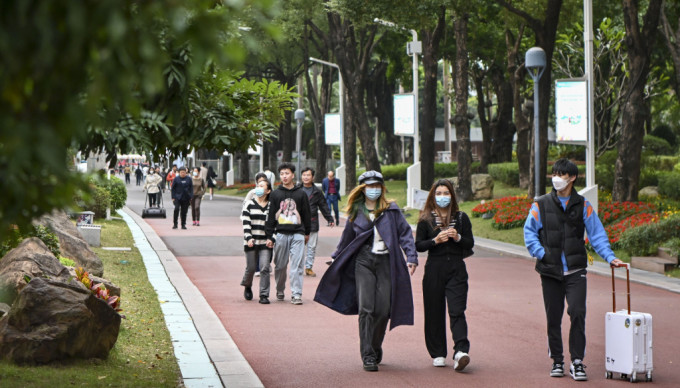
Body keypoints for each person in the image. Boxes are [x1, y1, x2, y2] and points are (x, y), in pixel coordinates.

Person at [523, 158, 623, 381]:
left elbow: (596, 234)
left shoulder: (583, 205)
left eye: (562, 174)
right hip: (550, 271)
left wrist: (610, 257)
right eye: (555, 173)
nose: (557, 178)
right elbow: (529, 233)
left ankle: (577, 362)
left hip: (576, 270)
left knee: (578, 312)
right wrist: (542, 253)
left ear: (573, 178)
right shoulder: (541, 204)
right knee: (553, 317)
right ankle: (557, 360)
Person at [314, 171, 418, 372]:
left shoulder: (392, 210)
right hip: (363, 262)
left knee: (383, 309)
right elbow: (347, 238)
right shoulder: (356, 212)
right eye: (370, 186)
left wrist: (411, 257)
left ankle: (375, 345)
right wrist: (336, 257)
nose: (374, 190)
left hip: (387, 262)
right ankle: (368, 355)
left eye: (377, 186)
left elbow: (405, 234)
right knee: (366, 308)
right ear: (363, 189)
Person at [415, 179, 475, 371]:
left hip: (457, 269)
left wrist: (457, 237)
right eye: (438, 193)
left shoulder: (461, 217)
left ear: (452, 195)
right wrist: (435, 240)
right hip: (434, 269)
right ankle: (438, 353)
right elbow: (419, 245)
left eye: (446, 193)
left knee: (457, 310)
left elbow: (470, 243)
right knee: (434, 311)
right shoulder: (426, 219)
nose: (442, 197)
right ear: (433, 196)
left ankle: (461, 351)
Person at [264, 163, 311, 305]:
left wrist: (306, 233)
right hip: (281, 234)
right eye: (282, 174)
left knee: (297, 265)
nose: (284, 176)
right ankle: (280, 289)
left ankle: (296, 294)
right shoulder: (275, 194)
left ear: (292, 175)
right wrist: (269, 235)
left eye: (287, 173)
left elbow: (306, 214)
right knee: (280, 265)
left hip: (298, 233)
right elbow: (271, 215)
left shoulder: (301, 193)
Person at [241, 179, 274, 304]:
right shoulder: (249, 204)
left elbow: (274, 224)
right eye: (257, 186)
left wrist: (272, 238)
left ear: (268, 190)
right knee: (251, 268)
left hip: (265, 242)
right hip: (251, 241)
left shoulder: (271, 206)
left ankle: (264, 295)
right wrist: (249, 237)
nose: (258, 188)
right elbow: (246, 222)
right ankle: (247, 285)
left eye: (262, 186)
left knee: (265, 267)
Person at [300, 168, 334, 277]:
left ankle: (308, 267)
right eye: (304, 175)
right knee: (298, 247)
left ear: (312, 177)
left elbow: (323, 206)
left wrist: (329, 218)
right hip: (298, 223)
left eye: (308, 175)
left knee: (312, 247)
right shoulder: (297, 189)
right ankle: (299, 267)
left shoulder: (317, 192)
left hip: (312, 223)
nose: (306, 177)